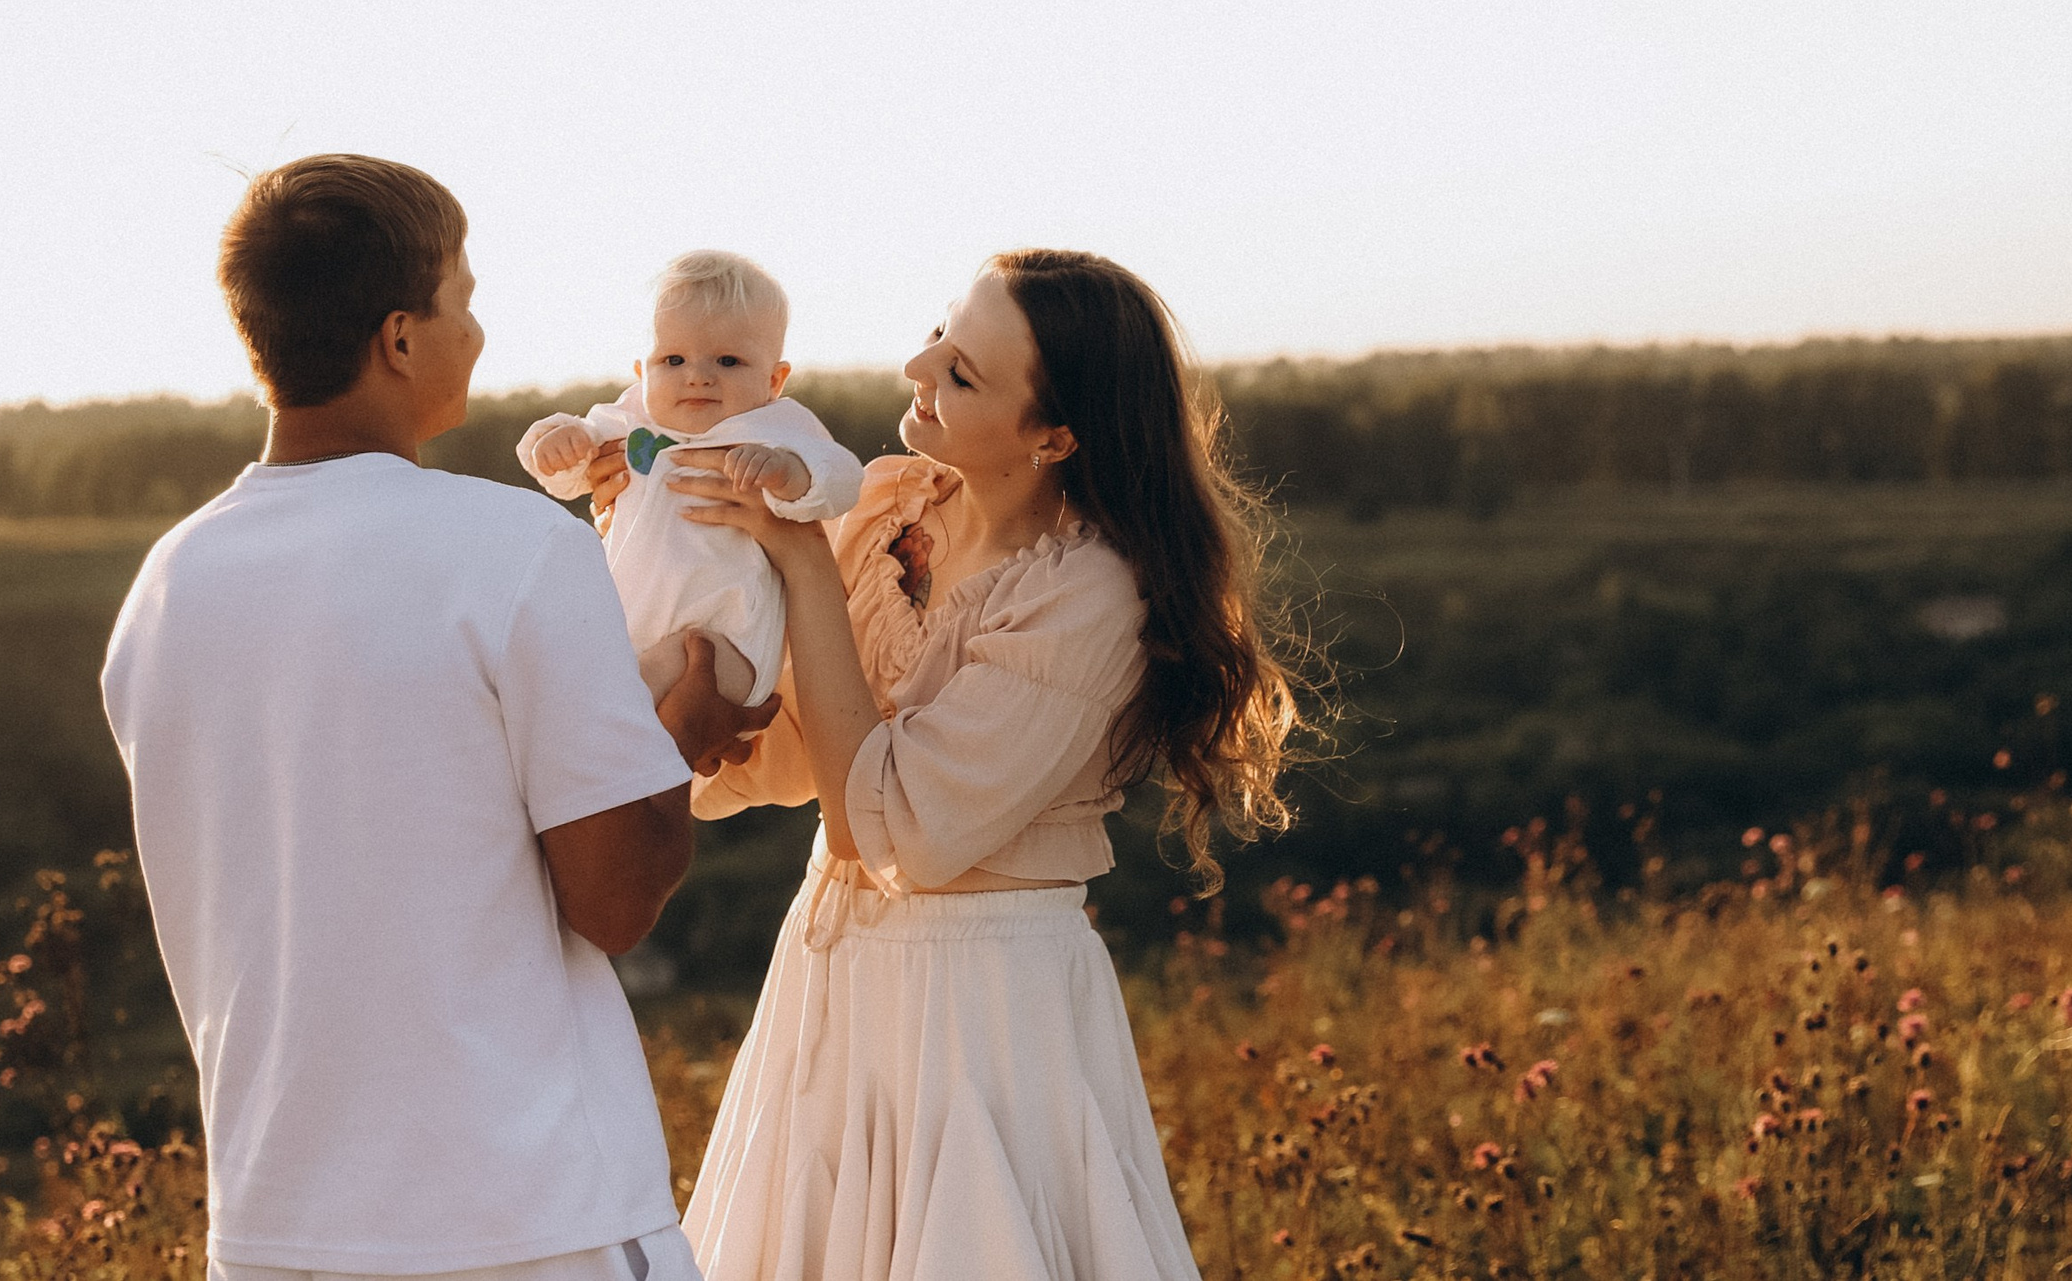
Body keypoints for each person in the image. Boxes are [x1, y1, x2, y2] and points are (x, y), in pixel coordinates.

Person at [101, 156, 760, 1281]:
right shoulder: (514, 550)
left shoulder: (165, 586)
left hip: (277, 1224)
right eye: (462, 298)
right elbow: (613, 897)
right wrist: (680, 738)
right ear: (401, 337)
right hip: (527, 1215)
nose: (478, 330)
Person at [624, 249, 1310, 1281]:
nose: (917, 365)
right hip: (828, 971)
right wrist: (682, 648)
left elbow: (896, 829)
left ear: (1057, 435)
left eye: (962, 372)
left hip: (980, 1002)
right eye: (939, 331)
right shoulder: (895, 503)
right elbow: (797, 751)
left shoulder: (1085, 597)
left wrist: (803, 561)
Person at [515, 250, 865, 715]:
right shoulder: (632, 417)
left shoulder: (776, 425)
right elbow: (569, 474)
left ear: (774, 380)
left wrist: (787, 471)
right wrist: (559, 443)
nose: (698, 377)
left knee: (630, 696)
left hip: (725, 646)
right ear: (642, 374)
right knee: (544, 662)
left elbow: (843, 479)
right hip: (625, 634)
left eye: (728, 361)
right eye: (673, 359)